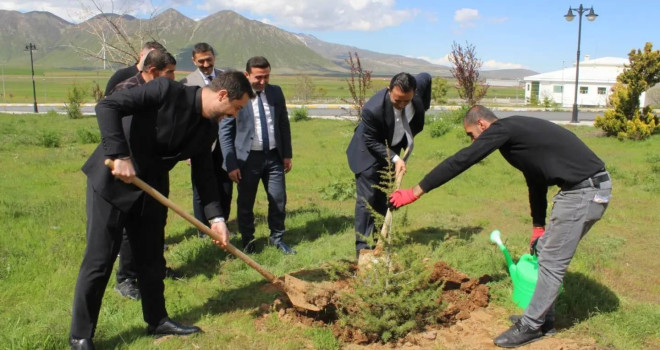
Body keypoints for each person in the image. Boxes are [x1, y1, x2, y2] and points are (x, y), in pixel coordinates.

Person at [389, 105, 612, 348]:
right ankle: (544, 320)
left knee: (552, 262)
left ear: (483, 125)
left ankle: (530, 326)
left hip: (584, 192)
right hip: (582, 190)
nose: (474, 141)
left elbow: (462, 160)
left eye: (472, 134)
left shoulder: (503, 129)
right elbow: (535, 180)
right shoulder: (515, 135)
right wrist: (538, 225)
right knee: (546, 252)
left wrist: (416, 191)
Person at [69, 71, 254, 350]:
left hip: (151, 187)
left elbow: (204, 176)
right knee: (100, 259)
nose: (235, 115)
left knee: (152, 259)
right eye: (236, 108)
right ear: (222, 95)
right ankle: (80, 336)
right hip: (113, 181)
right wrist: (119, 154)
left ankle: (157, 320)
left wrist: (217, 219)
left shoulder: (208, 128)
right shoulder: (166, 91)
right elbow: (107, 106)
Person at [107, 49, 177, 301]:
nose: (172, 78)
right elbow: (112, 121)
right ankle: (126, 278)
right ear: (153, 71)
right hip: (130, 171)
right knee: (131, 227)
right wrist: (121, 157)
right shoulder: (126, 87)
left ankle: (155, 268)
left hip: (155, 166)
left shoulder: (162, 92)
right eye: (169, 73)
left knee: (157, 221)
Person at [346, 72, 432, 257]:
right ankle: (362, 249)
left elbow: (426, 76)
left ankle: (380, 243)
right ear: (389, 90)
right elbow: (370, 140)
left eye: (406, 101)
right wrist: (395, 158)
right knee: (367, 200)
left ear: (414, 93)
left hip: (392, 148)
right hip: (367, 152)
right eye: (396, 100)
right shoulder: (372, 108)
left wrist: (424, 106)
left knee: (384, 197)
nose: (401, 105)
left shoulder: (417, 91)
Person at [219, 56, 294, 254]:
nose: (263, 82)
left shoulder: (276, 92)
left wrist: (287, 154)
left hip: (274, 157)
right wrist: (231, 163)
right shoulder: (238, 95)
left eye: (266, 77)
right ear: (247, 75)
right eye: (258, 77)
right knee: (246, 202)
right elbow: (225, 132)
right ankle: (248, 241)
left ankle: (277, 238)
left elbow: (283, 124)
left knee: (278, 199)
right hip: (247, 159)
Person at [180, 43, 233, 237]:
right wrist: (188, 149)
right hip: (200, 144)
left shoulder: (225, 79)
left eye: (208, 59)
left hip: (225, 142)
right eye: (200, 61)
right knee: (201, 185)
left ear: (214, 58)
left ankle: (223, 224)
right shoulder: (186, 82)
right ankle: (203, 229)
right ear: (194, 61)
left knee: (226, 184)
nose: (205, 64)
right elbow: (185, 118)